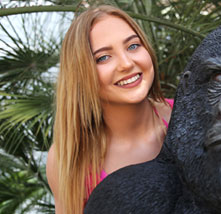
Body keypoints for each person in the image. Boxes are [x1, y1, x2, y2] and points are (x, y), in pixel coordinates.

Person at [46, 5, 173, 214]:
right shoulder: (69, 158)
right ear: (80, 74)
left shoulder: (189, 116)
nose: (126, 63)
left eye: (133, 46)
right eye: (103, 57)